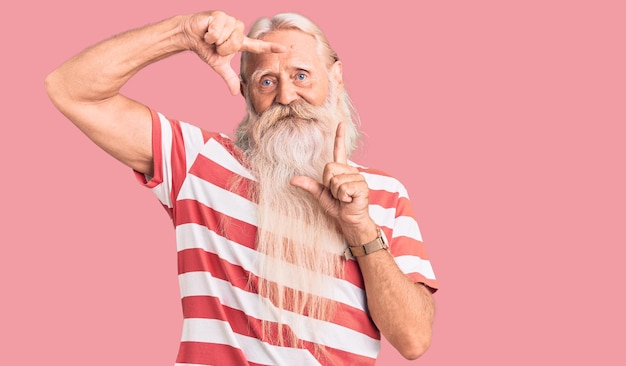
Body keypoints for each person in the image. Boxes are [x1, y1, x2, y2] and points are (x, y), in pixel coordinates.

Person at [45, 10, 438, 365]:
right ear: (247, 92)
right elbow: (70, 88)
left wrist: (359, 227)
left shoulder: (383, 193)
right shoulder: (200, 162)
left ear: (334, 76)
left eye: (301, 75)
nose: (287, 96)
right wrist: (181, 33)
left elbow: (414, 340)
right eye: (268, 81)